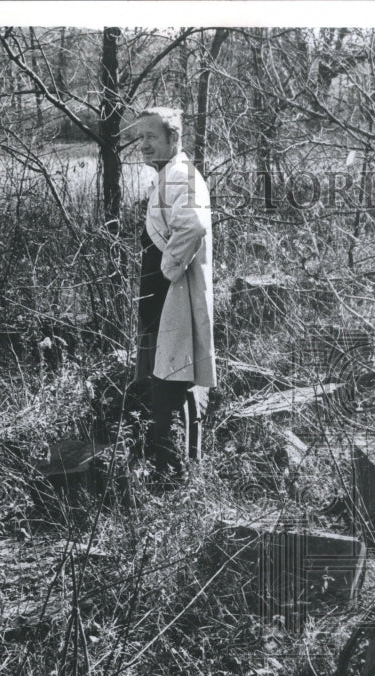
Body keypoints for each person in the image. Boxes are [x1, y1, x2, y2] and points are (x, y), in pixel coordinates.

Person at [133, 107, 216, 482]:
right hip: (162, 300)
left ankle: (172, 478)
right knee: (164, 383)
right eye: (141, 137)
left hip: (174, 295)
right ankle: (171, 471)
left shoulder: (181, 175)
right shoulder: (169, 175)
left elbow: (194, 224)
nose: (144, 144)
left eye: (152, 136)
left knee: (171, 388)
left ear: (173, 139)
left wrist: (168, 268)